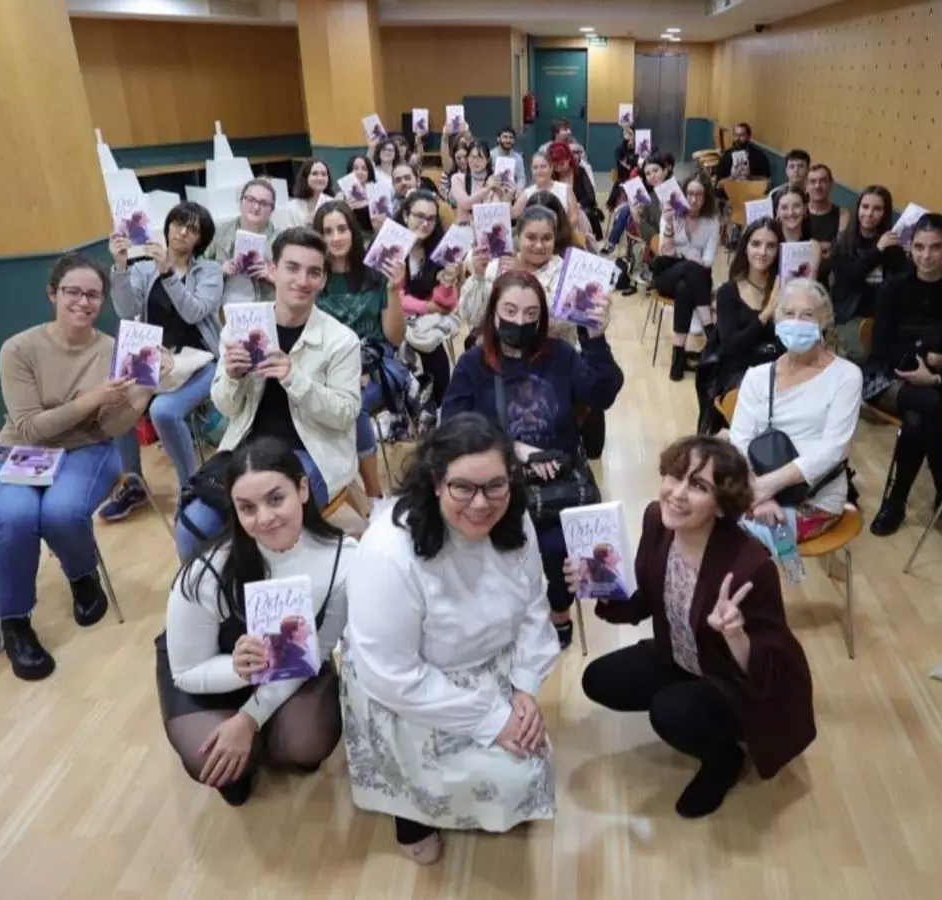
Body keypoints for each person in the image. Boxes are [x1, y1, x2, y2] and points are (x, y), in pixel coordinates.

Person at [341, 413, 561, 865]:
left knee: (526, 763)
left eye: (495, 486)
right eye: (463, 487)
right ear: (436, 482)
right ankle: (411, 809)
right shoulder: (388, 551)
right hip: (412, 688)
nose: (481, 503)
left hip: (489, 666)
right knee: (505, 772)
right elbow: (393, 674)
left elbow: (534, 605)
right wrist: (493, 718)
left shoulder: (514, 519)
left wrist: (524, 686)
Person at [578, 436, 815, 818]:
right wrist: (601, 586)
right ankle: (692, 705)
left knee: (669, 712)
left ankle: (724, 760)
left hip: (738, 680)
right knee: (599, 679)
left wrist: (735, 634)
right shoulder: (657, 522)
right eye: (675, 475)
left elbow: (771, 666)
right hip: (683, 656)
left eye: (699, 486)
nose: (677, 493)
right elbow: (645, 601)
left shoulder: (751, 566)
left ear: (721, 506)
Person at [0, 253, 154, 680]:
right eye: (72, 292)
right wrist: (94, 398)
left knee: (62, 513)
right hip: (21, 449)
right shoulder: (18, 349)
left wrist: (144, 392)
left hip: (87, 449)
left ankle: (82, 575)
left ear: (103, 301)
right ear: (52, 294)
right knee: (15, 516)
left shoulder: (113, 350)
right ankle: (14, 622)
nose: (83, 301)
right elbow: (30, 427)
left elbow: (111, 426)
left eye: (93, 295)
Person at [158, 436, 352, 805]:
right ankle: (242, 761)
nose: (264, 518)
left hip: (290, 675)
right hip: (207, 673)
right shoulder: (205, 572)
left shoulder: (342, 560)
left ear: (303, 489)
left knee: (306, 743)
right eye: (247, 508)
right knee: (212, 760)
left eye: (276, 499)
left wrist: (249, 718)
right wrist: (238, 670)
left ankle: (264, 741)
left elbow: (317, 652)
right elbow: (186, 671)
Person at [442, 269, 623, 648]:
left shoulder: (560, 355)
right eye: (509, 311)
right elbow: (452, 429)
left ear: (542, 318)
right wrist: (511, 449)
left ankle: (559, 610)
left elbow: (602, 393)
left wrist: (596, 338)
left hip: (559, 484)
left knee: (558, 548)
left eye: (530, 314)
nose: (519, 322)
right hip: (496, 485)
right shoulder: (473, 365)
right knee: (495, 548)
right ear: (493, 314)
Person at [175, 227, 363, 562]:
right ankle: (212, 592)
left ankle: (271, 589)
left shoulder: (341, 341)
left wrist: (294, 378)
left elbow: (345, 414)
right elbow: (226, 407)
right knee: (192, 526)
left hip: (311, 452)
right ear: (273, 270)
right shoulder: (241, 326)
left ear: (323, 281)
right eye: (292, 268)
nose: (302, 280)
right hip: (247, 448)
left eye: (314, 272)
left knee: (270, 525)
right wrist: (232, 376)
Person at [101, 201, 224, 520]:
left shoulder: (209, 271)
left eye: (192, 229)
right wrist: (121, 267)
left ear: (201, 238)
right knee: (116, 403)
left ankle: (190, 486)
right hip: (153, 356)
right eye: (178, 224)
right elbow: (127, 310)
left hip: (200, 360)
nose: (182, 232)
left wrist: (168, 273)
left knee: (164, 411)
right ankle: (134, 484)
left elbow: (195, 312)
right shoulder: (144, 268)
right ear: (167, 226)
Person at [865, 213, 942, 536]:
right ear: (909, 248)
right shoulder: (893, 287)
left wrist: (938, 374)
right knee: (928, 405)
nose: (926, 256)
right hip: (887, 377)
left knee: (918, 418)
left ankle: (897, 501)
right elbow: (879, 347)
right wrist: (923, 362)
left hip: (934, 385)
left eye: (936, 247)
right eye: (919, 247)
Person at [729, 279, 861, 541]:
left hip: (814, 497)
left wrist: (768, 486)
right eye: (789, 313)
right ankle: (778, 561)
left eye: (808, 315)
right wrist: (758, 491)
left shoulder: (846, 376)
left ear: (825, 320)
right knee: (701, 514)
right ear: (778, 321)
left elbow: (833, 449)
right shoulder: (757, 376)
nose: (797, 322)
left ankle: (784, 563)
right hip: (755, 487)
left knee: (736, 537)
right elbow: (739, 439)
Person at [313, 201, 408, 498]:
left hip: (377, 364)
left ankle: (374, 494)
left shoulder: (376, 273)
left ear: (353, 232)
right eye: (327, 231)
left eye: (342, 229)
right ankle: (337, 488)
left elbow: (394, 337)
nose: (336, 237)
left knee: (351, 406)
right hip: (330, 369)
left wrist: (394, 290)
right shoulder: (314, 279)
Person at [460, 206, 573, 344]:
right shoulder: (499, 265)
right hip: (500, 348)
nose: (539, 245)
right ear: (519, 237)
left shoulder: (565, 271)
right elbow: (472, 316)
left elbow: (562, 320)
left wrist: (525, 277)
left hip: (551, 349)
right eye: (531, 237)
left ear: (555, 239)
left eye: (546, 238)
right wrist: (479, 276)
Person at [394, 189, 459, 414]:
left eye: (431, 218)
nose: (425, 223)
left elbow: (447, 304)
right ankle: (406, 413)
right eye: (419, 216)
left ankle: (439, 411)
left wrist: (448, 281)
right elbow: (391, 296)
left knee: (437, 359)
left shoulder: (439, 248)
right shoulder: (390, 245)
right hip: (392, 317)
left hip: (424, 323)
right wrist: (426, 307)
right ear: (406, 215)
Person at [651, 173, 720, 381]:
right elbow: (665, 252)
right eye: (690, 193)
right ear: (682, 194)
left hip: (695, 280)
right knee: (690, 269)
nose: (693, 199)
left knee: (685, 287)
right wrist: (670, 225)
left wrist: (683, 254)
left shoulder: (712, 222)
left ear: (706, 197)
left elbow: (708, 260)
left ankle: (678, 358)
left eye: (699, 194)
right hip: (666, 275)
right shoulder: (671, 215)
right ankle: (711, 331)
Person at [712, 218, 784, 404]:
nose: (763, 252)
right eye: (756, 244)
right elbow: (731, 347)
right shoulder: (728, 292)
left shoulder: (784, 288)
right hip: (740, 374)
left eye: (771, 246)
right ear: (745, 247)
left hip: (778, 372)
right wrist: (767, 312)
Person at [826, 185, 902, 362]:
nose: (869, 214)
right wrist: (877, 250)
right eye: (865, 207)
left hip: (880, 318)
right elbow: (849, 277)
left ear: (885, 213)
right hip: (849, 317)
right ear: (858, 208)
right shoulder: (843, 243)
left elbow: (898, 285)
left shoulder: (892, 246)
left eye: (877, 209)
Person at [204, 179, 278, 306]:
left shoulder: (282, 240)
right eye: (250, 199)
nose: (256, 207)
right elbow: (197, 266)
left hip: (265, 306)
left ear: (272, 210)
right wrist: (220, 269)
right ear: (241, 202)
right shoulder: (219, 232)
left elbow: (294, 282)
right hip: (222, 306)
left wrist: (272, 275)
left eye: (263, 203)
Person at [600, 152, 671, 256]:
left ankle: (614, 243)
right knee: (627, 210)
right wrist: (639, 217)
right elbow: (651, 234)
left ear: (665, 170)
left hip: (674, 245)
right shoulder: (651, 196)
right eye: (648, 174)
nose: (652, 176)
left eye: (656, 170)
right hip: (658, 244)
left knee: (625, 210)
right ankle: (616, 245)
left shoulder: (676, 192)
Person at [547, 142, 601, 241]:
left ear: (568, 159)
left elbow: (590, 197)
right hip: (560, 212)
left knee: (580, 216)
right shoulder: (552, 177)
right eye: (555, 166)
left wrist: (577, 205)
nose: (559, 169)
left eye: (561, 164)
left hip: (581, 209)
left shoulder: (580, 172)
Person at [451, 141, 510, 225]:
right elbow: (465, 204)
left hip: (490, 227)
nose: (475, 161)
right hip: (465, 227)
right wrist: (487, 188)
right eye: (472, 157)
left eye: (480, 157)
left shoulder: (495, 179)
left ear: (488, 159)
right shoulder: (457, 178)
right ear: (467, 158)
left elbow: (501, 208)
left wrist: (506, 193)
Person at [272, 158, 335, 231]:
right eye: (314, 174)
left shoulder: (333, 204)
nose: (320, 178)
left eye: (324, 174)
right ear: (305, 177)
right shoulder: (291, 209)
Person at [804, 165, 852, 255]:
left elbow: (843, 248)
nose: (818, 186)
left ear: (831, 184)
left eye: (822, 181)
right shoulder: (797, 213)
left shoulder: (843, 215)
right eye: (813, 181)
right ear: (806, 186)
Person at [489, 126, 527, 190]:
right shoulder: (490, 155)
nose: (508, 140)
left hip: (512, 190)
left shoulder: (518, 158)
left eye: (511, 138)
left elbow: (521, 178)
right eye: (505, 137)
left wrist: (518, 190)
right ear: (498, 139)